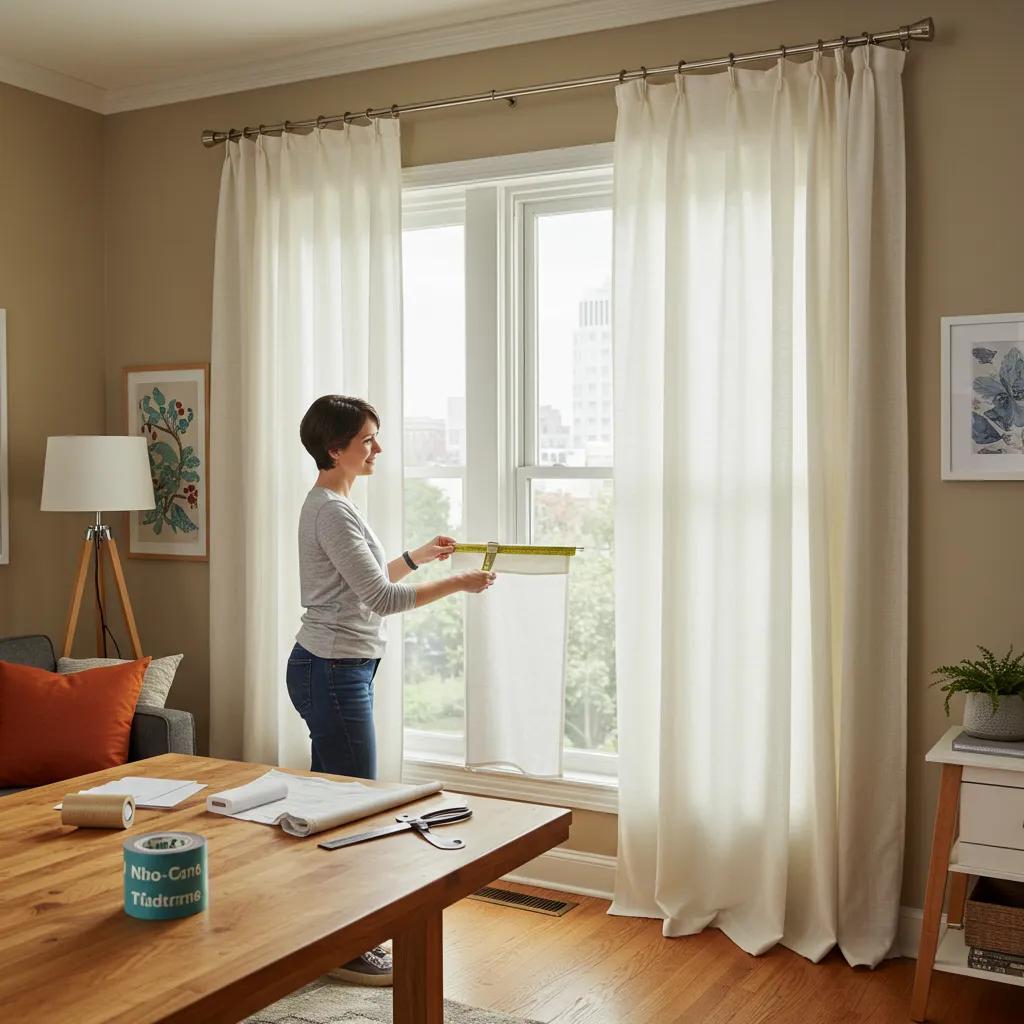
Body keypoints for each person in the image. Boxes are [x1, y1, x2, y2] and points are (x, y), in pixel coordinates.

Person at [287, 394, 495, 986]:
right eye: (367, 440)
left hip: (332, 666)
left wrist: (419, 557)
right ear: (336, 449)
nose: (377, 449)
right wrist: (457, 582)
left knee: (329, 808)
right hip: (332, 671)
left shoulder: (336, 504)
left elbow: (367, 583)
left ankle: (321, 933)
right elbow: (381, 600)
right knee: (357, 811)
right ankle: (352, 946)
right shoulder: (331, 511)